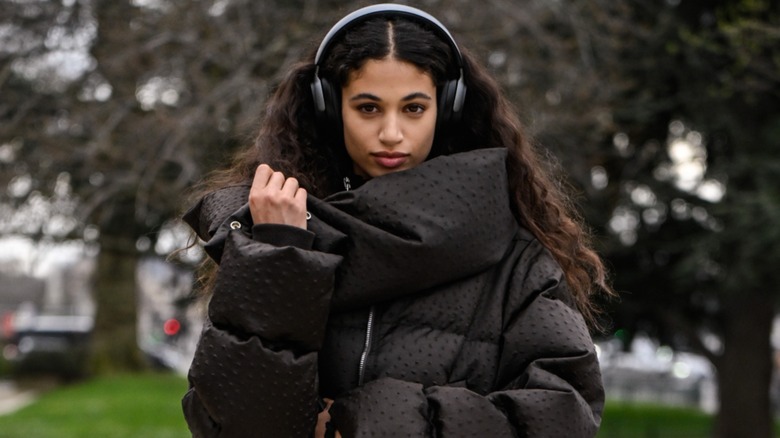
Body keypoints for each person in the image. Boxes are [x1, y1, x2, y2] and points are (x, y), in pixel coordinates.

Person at [181, 4, 613, 437]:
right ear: (330, 109)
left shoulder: (517, 261)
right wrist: (277, 257)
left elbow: (564, 415)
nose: (391, 133)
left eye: (414, 108)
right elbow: (228, 422)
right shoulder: (279, 238)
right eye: (368, 108)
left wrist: (373, 423)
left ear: (447, 108)